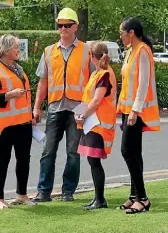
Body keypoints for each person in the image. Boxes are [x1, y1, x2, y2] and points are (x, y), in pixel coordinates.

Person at [32, 7, 94, 202]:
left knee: (73, 153)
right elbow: (43, 81)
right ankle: (43, 192)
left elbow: (94, 80)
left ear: (76, 27)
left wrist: (87, 109)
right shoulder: (49, 51)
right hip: (55, 108)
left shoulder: (86, 51)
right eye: (60, 25)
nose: (63, 29)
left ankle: (68, 192)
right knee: (48, 152)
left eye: (67, 25)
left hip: (77, 108)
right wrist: (36, 107)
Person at [0, 34, 37, 209]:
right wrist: (9, 95)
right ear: (5, 50)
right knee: (2, 161)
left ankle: (22, 195)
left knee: (24, 160)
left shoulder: (18, 69)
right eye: (15, 47)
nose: (18, 50)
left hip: (23, 123)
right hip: (5, 126)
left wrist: (32, 115)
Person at [117, 17, 160, 214]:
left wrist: (135, 110)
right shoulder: (131, 52)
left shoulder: (142, 50)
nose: (120, 36)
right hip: (128, 110)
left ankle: (142, 198)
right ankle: (135, 195)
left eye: (122, 32)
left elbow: (143, 84)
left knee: (127, 151)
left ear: (131, 32)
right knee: (134, 152)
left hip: (136, 111)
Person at [75, 41, 117, 210]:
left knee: (94, 162)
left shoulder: (104, 75)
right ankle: (97, 198)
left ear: (92, 56)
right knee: (93, 162)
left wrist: (83, 115)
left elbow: (97, 100)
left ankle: (100, 199)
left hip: (97, 124)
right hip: (93, 123)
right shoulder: (98, 74)